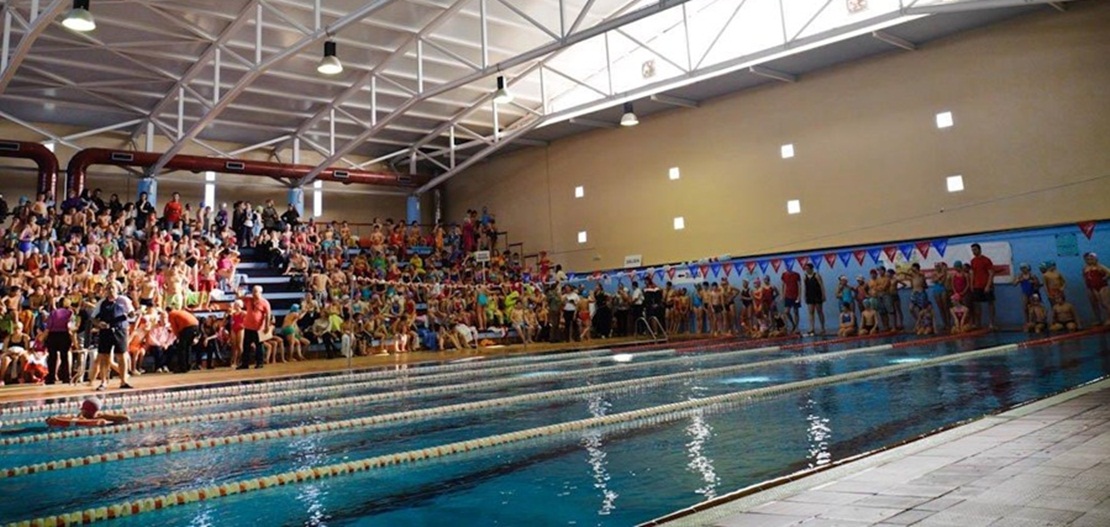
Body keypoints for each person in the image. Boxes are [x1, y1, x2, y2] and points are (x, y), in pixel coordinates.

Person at [92, 282, 134, 390]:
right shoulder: (101, 303)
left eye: (113, 287)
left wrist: (132, 315)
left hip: (120, 330)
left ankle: (123, 380)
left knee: (122, 356)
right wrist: (98, 324)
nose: (110, 290)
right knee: (104, 356)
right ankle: (103, 381)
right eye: (108, 288)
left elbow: (131, 312)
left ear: (117, 289)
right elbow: (93, 317)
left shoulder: (123, 300)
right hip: (106, 331)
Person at [239, 285, 271, 369]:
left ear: (260, 292)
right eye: (253, 291)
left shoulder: (265, 302)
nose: (253, 293)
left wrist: (267, 326)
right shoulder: (249, 299)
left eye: (255, 291)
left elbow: (268, 315)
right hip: (248, 326)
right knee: (246, 346)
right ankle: (245, 363)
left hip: (258, 328)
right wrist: (237, 290)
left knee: (259, 346)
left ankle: (259, 362)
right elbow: (239, 296)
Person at [44, 298, 75, 384]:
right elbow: (70, 326)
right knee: (64, 356)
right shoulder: (70, 313)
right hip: (64, 334)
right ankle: (66, 377)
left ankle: (51, 377)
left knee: (52, 357)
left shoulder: (53, 312)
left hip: (53, 335)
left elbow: (48, 326)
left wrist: (44, 337)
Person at [968, 243, 996, 330]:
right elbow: (972, 273)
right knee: (976, 305)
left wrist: (988, 285)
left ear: (979, 250)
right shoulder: (973, 261)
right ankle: (978, 324)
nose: (973, 251)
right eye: (972, 250)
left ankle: (992, 323)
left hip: (986, 285)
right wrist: (972, 284)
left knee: (990, 304)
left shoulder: (986, 260)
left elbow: (991, 273)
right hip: (977, 286)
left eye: (975, 250)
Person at [1082, 252, 1110, 326]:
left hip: (1102, 286)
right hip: (1091, 287)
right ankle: (1098, 319)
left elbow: (1109, 272)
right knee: (1094, 304)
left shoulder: (1100, 266)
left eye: (1091, 259)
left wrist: (1104, 279)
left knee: (1105, 303)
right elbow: (1085, 277)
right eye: (1088, 259)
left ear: (1095, 259)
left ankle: (1109, 318)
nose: (1090, 261)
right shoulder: (1085, 268)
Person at [167, 309, 199, 374]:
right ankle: (188, 365)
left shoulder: (171, 314)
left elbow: (174, 327)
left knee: (182, 348)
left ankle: (182, 367)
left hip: (187, 327)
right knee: (188, 347)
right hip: (195, 325)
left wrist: (178, 337)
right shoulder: (180, 311)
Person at [802, 263, 826, 335]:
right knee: (811, 312)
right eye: (805, 269)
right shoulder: (805, 277)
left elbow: (821, 285)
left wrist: (823, 295)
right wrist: (804, 296)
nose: (806, 270)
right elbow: (805, 287)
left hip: (817, 295)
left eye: (807, 269)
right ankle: (812, 328)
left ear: (811, 269)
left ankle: (822, 327)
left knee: (819, 311)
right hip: (809, 295)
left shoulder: (817, 275)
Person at [780, 266, 802, 334]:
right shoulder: (784, 275)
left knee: (796, 311)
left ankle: (797, 327)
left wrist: (799, 296)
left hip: (795, 296)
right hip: (787, 295)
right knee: (786, 311)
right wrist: (782, 295)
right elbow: (783, 285)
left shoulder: (796, 274)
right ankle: (793, 324)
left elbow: (799, 286)